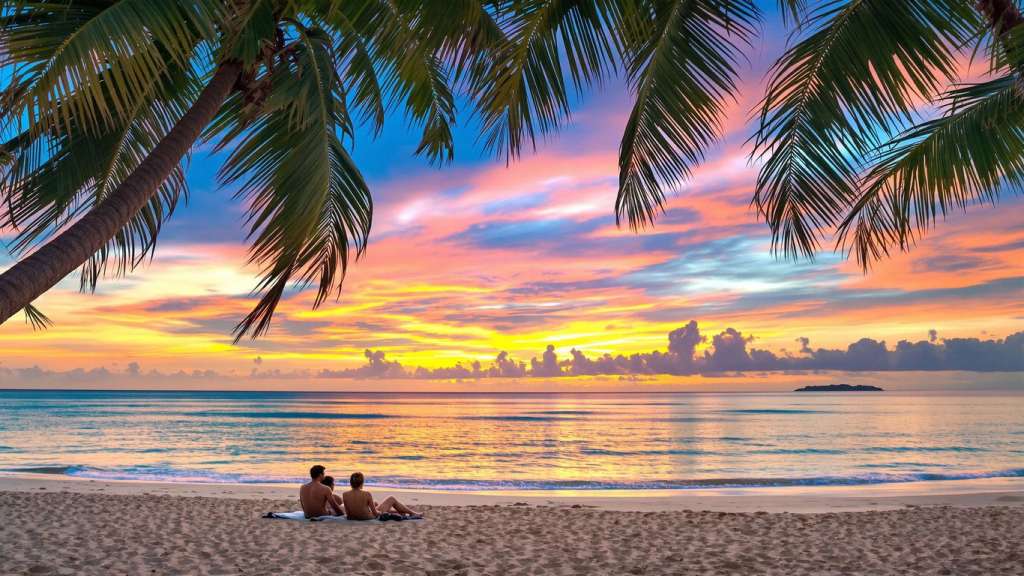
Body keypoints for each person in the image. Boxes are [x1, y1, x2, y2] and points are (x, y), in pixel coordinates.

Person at [342, 472, 420, 520]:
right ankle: (412, 513)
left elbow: (348, 513)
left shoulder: (345, 494)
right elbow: (375, 513)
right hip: (368, 517)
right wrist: (382, 513)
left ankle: (400, 512)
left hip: (353, 517)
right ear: (361, 483)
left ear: (351, 483)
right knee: (391, 499)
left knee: (376, 504)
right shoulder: (366, 494)